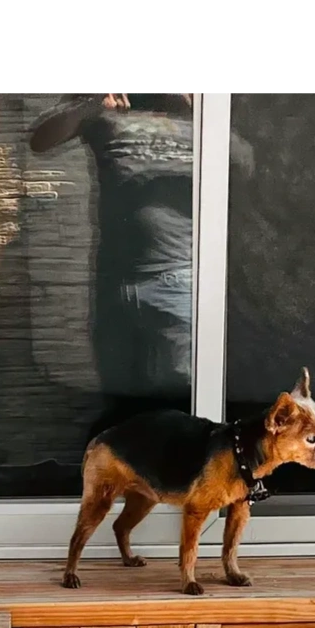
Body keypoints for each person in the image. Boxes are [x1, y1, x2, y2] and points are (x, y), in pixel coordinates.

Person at [28, 89, 198, 405]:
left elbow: (243, 160)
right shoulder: (107, 103)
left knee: (182, 407)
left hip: (179, 283)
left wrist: (194, 111)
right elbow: (40, 139)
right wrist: (91, 105)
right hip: (115, 284)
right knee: (120, 403)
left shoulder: (196, 113)